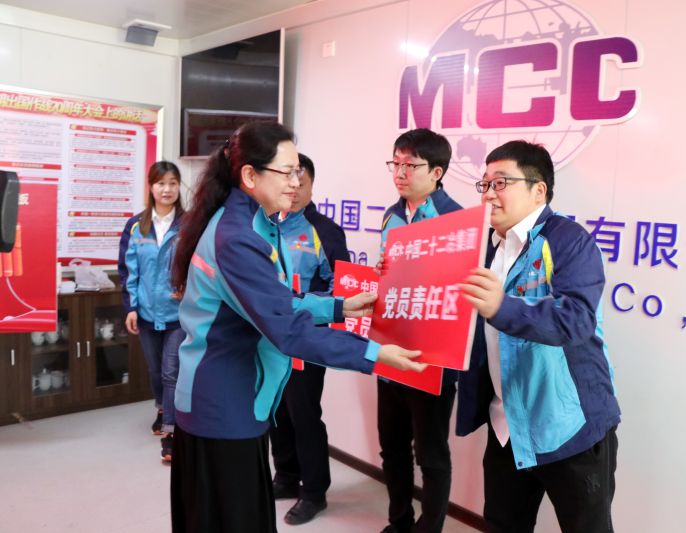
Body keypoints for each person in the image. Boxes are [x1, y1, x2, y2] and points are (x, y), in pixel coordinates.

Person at [169, 121, 426, 533]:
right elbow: (287, 329)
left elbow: (273, 300)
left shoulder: (251, 221)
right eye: (287, 172)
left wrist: (338, 307)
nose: (296, 181)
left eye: (299, 172)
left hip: (232, 398)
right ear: (250, 175)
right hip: (222, 403)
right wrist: (375, 354)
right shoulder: (239, 237)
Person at [457, 140, 621, 533]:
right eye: (484, 184)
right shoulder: (482, 247)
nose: (488, 194)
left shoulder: (569, 241)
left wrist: (502, 306)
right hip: (507, 424)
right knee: (502, 524)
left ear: (538, 190)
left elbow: (575, 321)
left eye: (501, 182)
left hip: (568, 424)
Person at [377, 128, 461, 533]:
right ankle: (399, 522)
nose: (400, 173)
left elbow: (462, 289)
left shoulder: (457, 221)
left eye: (410, 165)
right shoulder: (391, 215)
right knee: (392, 448)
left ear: (437, 172)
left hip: (433, 358)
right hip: (390, 348)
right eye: (395, 163)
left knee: (431, 455)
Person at [268, 153, 350, 525]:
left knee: (304, 414)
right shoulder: (267, 224)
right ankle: (286, 476)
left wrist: (303, 306)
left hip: (307, 338)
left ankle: (314, 491)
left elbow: (342, 289)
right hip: (269, 337)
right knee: (276, 411)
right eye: (288, 180)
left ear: (312, 185)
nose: (294, 188)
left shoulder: (325, 230)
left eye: (301, 182)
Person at [118, 160, 186, 463]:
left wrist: (188, 286)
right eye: (161, 183)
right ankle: (162, 408)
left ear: (179, 187)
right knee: (155, 371)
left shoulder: (190, 224)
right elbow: (127, 271)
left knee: (171, 371)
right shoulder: (136, 226)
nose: (167, 189)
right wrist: (131, 307)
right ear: (151, 187)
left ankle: (171, 433)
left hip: (178, 313)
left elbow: (200, 264)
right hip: (146, 311)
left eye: (173, 183)